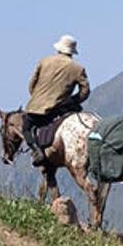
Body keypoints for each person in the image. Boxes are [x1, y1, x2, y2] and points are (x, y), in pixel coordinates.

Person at [24, 35, 90, 166]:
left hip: (37, 109)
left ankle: (37, 151)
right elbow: (85, 91)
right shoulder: (77, 68)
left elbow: (32, 84)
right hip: (59, 108)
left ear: (59, 48)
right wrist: (72, 100)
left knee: (26, 127)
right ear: (72, 52)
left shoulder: (44, 61)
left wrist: (37, 97)